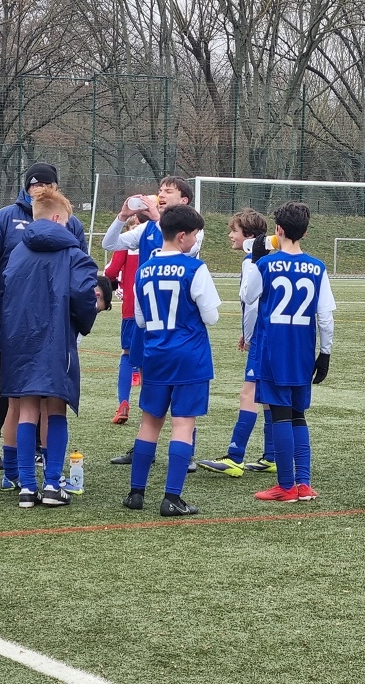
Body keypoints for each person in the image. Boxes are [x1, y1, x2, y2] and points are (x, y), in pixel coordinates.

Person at [0, 161, 87, 484]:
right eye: (33, 185)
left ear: (55, 188)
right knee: (13, 394)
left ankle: (33, 467)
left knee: (44, 399)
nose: (38, 189)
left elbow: (81, 272)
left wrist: (78, 317)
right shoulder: (5, 218)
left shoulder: (71, 223)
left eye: (44, 185)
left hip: (52, 323)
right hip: (13, 320)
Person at [0, 187, 100, 507]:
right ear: (57, 218)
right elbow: (84, 297)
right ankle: (53, 484)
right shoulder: (74, 254)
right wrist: (84, 322)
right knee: (55, 408)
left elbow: (5, 292)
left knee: (27, 408)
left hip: (19, 339)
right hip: (57, 340)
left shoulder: (17, 252)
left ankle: (27, 487)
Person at [122, 204, 221, 516]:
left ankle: (136, 493)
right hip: (190, 356)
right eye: (194, 235)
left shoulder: (143, 269)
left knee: (149, 423)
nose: (195, 240)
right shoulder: (195, 268)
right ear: (181, 236)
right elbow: (211, 317)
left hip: (155, 354)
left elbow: (140, 320)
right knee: (183, 425)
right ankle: (172, 498)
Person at [103, 177, 204, 466]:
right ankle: (144, 447)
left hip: (179, 323)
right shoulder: (145, 228)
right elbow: (110, 243)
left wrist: (158, 218)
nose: (160, 194)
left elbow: (188, 251)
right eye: (159, 190)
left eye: (168, 191)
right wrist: (122, 216)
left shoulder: (192, 228)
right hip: (148, 319)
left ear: (183, 200)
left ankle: (186, 451)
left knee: (182, 390)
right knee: (148, 385)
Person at [240, 202, 335, 503]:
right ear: (304, 232)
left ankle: (285, 486)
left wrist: (255, 259)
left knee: (280, 414)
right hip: (303, 351)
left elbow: (247, 295)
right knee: (298, 414)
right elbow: (325, 316)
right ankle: (303, 483)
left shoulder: (267, 264)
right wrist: (325, 353)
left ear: (278, 230)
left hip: (273, 349)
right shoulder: (317, 267)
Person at [197, 208, 276, 476]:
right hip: (273, 336)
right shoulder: (271, 259)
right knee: (267, 397)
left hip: (263, 338)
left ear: (250, 236)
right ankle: (272, 456)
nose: (230, 236)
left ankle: (235, 456)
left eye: (234, 231)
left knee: (248, 393)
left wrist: (251, 336)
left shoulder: (252, 261)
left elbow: (251, 303)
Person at [104, 216, 142, 426]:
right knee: (152, 357)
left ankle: (123, 403)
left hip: (132, 309)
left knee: (127, 354)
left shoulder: (127, 243)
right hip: (158, 310)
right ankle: (151, 407)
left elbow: (111, 271)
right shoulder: (162, 239)